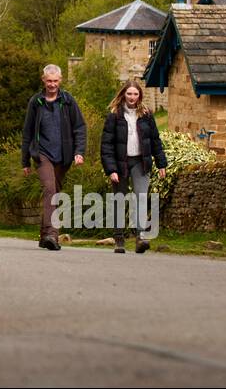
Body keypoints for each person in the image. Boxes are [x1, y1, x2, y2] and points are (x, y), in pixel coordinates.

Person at [21, 64, 87, 251]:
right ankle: (52, 234)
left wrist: (79, 151)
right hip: (42, 154)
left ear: (61, 80)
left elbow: (80, 127)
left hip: (64, 156)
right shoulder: (36, 102)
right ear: (43, 80)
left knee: (54, 192)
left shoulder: (68, 101)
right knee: (50, 189)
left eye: (55, 81)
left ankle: (44, 236)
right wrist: (25, 160)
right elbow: (27, 133)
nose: (52, 84)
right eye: (49, 81)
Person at [100, 79, 166, 253]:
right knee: (120, 199)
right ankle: (119, 239)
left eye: (135, 94)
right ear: (123, 95)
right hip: (120, 163)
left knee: (141, 197)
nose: (132, 97)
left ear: (140, 96)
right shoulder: (114, 115)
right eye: (129, 93)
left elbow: (155, 141)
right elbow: (106, 145)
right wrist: (111, 169)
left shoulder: (147, 115)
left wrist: (161, 163)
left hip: (140, 162)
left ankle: (140, 237)